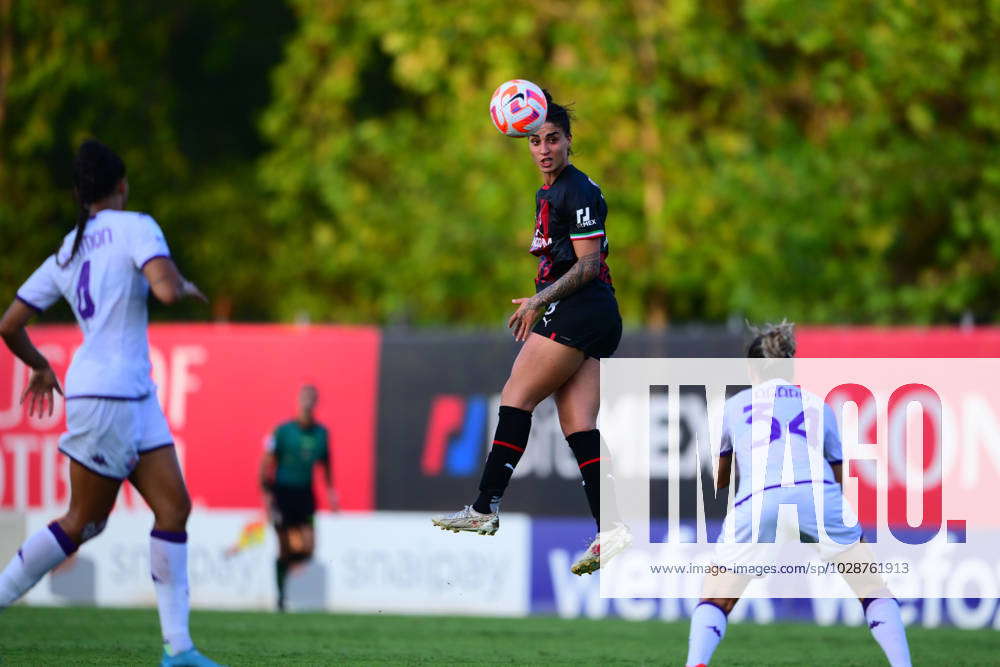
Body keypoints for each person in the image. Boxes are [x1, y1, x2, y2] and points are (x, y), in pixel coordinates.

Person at [0, 140, 222, 666]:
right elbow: (165, 291)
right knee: (84, 521)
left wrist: (37, 363)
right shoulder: (137, 226)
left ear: (81, 194)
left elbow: (9, 325)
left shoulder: (67, 248)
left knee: (174, 508)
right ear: (121, 187)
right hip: (109, 395)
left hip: (130, 393)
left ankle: (180, 651)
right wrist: (181, 283)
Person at [432, 89, 630, 575]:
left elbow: (588, 264)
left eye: (554, 138)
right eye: (535, 140)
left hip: (580, 307)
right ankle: (614, 529)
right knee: (579, 428)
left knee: (515, 397)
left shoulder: (574, 188)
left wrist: (540, 299)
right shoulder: (552, 189)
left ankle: (484, 507)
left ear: (568, 141)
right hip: (594, 313)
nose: (544, 148)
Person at [684, 321, 911, 667]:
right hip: (819, 495)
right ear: (790, 367)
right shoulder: (819, 405)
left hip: (759, 500)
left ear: (751, 368)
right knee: (872, 589)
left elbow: (721, 481)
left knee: (716, 598)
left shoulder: (736, 405)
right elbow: (836, 474)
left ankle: (695, 664)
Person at [259, 384, 337, 611]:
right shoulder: (282, 432)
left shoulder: (321, 433)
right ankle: (281, 596)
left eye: (312, 398)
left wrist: (331, 492)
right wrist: (266, 495)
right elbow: (266, 464)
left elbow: (327, 463)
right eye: (304, 397)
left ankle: (291, 571)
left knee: (309, 546)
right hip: (282, 493)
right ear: (298, 401)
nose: (308, 402)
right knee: (284, 548)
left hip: (305, 495)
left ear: (316, 403)